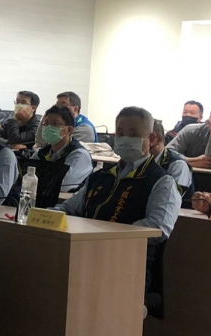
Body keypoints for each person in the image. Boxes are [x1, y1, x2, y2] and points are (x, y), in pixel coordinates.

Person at [55, 106, 180, 290]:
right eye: (120, 133)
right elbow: (69, 208)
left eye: (133, 134)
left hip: (127, 265)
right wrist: (45, 217)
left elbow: (158, 227)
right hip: (85, 253)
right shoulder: (100, 176)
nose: (125, 139)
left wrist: (104, 238)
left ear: (151, 139)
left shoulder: (162, 182)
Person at [9, 104, 93, 196]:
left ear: (69, 130)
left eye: (55, 124)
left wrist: (38, 179)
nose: (48, 127)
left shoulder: (79, 155)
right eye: (46, 124)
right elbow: (26, 177)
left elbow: (63, 185)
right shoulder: (42, 153)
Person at [167, 98, 211, 169]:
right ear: (210, 115)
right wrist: (189, 161)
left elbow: (210, 162)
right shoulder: (191, 130)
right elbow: (167, 153)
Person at [149, 119, 193, 205]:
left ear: (158, 139)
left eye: (136, 136)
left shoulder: (177, 165)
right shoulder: (133, 161)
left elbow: (168, 201)